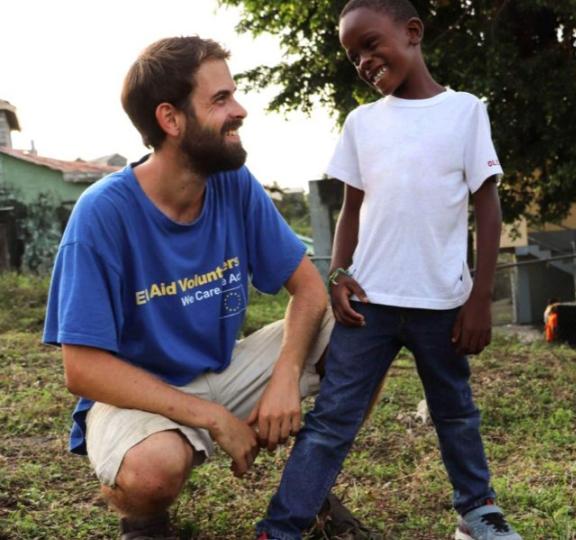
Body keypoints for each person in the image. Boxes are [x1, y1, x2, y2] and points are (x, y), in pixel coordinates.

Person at [43, 36, 349, 540]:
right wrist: (212, 418)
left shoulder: (233, 182)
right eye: (220, 100)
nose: (240, 110)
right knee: (151, 469)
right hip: (138, 395)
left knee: (361, 318)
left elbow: (310, 290)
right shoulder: (103, 214)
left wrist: (283, 376)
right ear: (170, 119)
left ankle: (309, 489)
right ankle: (144, 523)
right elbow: (82, 368)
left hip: (224, 368)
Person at [256, 1, 522, 540]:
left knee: (455, 414)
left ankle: (477, 512)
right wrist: (337, 276)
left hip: (442, 304)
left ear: (413, 32)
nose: (363, 60)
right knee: (332, 422)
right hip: (369, 306)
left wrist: (480, 296)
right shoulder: (362, 123)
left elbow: (487, 206)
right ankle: (281, 528)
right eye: (353, 55)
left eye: (370, 44)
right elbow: (352, 209)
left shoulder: (466, 111)